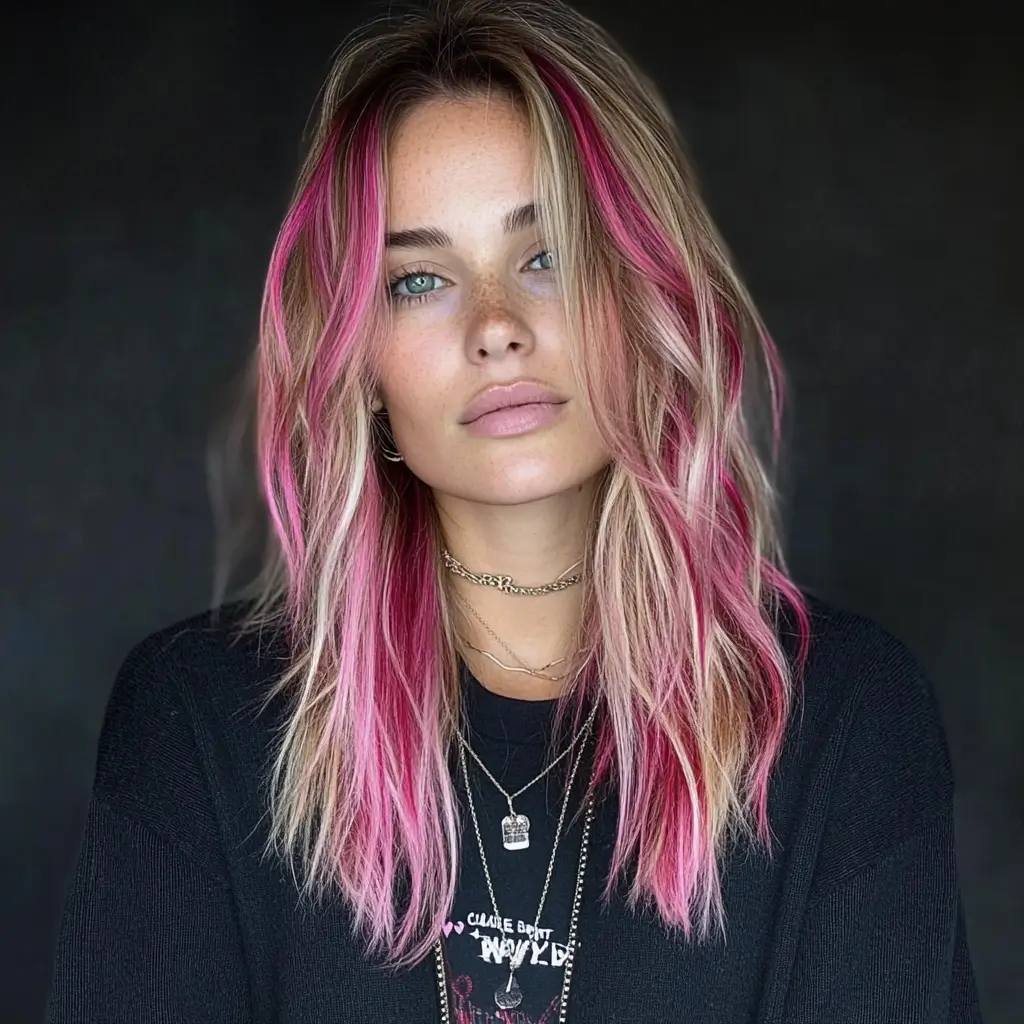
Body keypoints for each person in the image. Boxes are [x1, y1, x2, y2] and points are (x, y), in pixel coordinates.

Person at [46, 0, 984, 1020]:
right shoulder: (196, 723)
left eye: (547, 257)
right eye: (417, 280)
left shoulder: (844, 724)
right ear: (357, 363)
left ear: (645, 296)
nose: (495, 327)